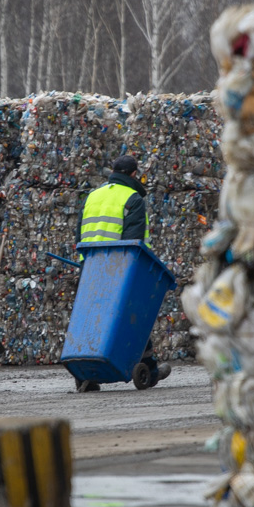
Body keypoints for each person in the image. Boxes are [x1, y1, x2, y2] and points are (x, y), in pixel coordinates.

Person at [73, 155, 169, 392]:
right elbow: (133, 242)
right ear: (134, 175)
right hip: (118, 270)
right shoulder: (132, 198)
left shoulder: (92, 196)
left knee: (91, 319)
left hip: (91, 267)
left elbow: (79, 237)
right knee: (133, 316)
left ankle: (86, 373)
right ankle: (150, 370)